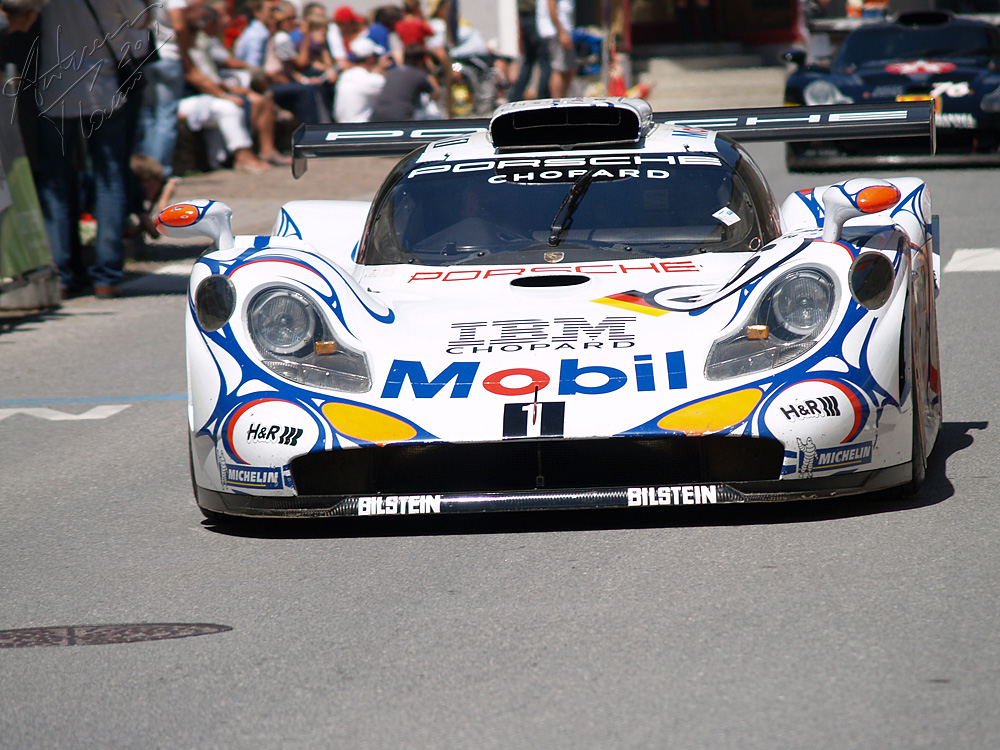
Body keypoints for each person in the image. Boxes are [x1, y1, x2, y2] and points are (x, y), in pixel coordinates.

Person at [34, 0, 150, 299]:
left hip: (53, 87)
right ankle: (107, 276)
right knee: (109, 179)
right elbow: (141, 22)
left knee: (56, 183)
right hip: (104, 86)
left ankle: (61, 274)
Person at [370, 44, 440, 121]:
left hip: (376, 118)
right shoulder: (419, 75)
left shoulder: (392, 72)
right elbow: (435, 95)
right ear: (422, 61)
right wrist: (430, 72)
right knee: (436, 118)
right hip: (401, 119)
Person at [335, 36, 388, 123]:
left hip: (341, 125)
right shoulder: (372, 80)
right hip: (360, 127)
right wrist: (380, 70)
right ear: (370, 58)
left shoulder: (345, 75)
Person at [508, 0, 550, 101]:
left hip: (525, 18)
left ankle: (515, 97)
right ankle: (543, 97)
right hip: (534, 17)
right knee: (545, 61)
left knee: (528, 61)